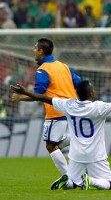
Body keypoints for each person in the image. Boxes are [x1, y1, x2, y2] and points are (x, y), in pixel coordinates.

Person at [10, 75, 111, 190]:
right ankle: (91, 181)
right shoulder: (98, 107)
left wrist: (24, 93)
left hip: (75, 155)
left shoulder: (68, 105)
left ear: (77, 94)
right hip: (96, 155)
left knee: (73, 182)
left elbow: (43, 98)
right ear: (91, 93)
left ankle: (69, 182)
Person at [11, 38, 81, 188]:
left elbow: (38, 95)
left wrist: (20, 98)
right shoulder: (64, 66)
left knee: (50, 146)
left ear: (41, 51)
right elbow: (79, 82)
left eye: (35, 48)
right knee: (56, 144)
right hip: (72, 110)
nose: (33, 50)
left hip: (56, 111)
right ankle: (78, 139)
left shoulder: (43, 70)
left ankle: (70, 179)